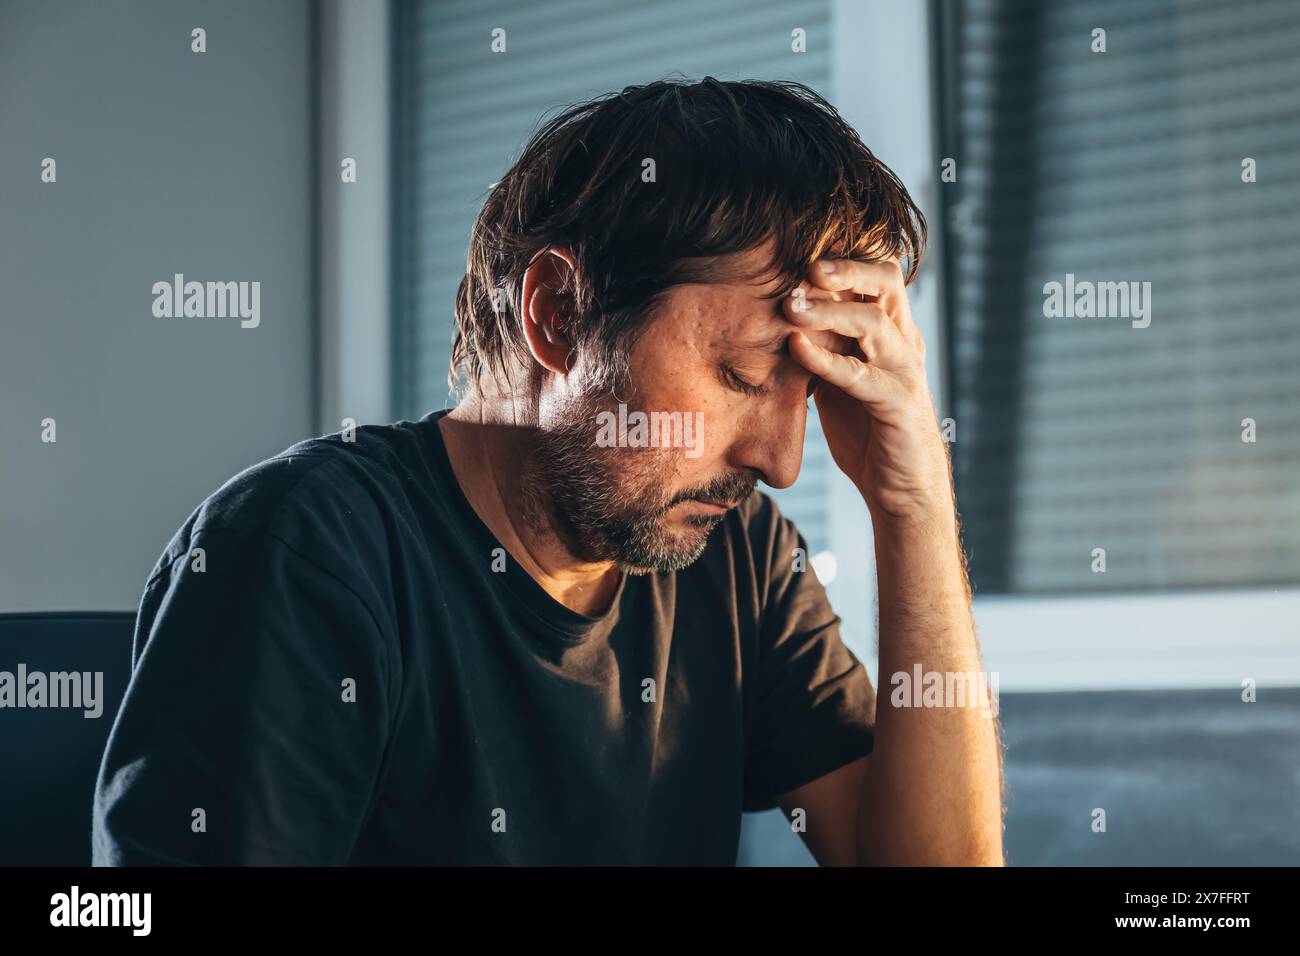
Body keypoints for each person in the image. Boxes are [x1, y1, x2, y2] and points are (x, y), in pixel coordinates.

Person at [92, 77, 1004, 866]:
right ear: (558, 314)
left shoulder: (743, 562)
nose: (778, 462)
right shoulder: (304, 553)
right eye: (743, 378)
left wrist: (912, 497)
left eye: (803, 398)